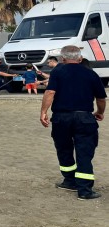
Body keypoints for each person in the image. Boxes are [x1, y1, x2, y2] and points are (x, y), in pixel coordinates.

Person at [40, 45, 105, 200]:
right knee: (84, 153)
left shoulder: (57, 72)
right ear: (80, 58)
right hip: (84, 118)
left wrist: (43, 112)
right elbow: (101, 98)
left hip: (61, 118)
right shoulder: (91, 74)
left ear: (63, 59)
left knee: (64, 149)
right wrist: (100, 112)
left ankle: (69, 181)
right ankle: (85, 190)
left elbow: (50, 92)